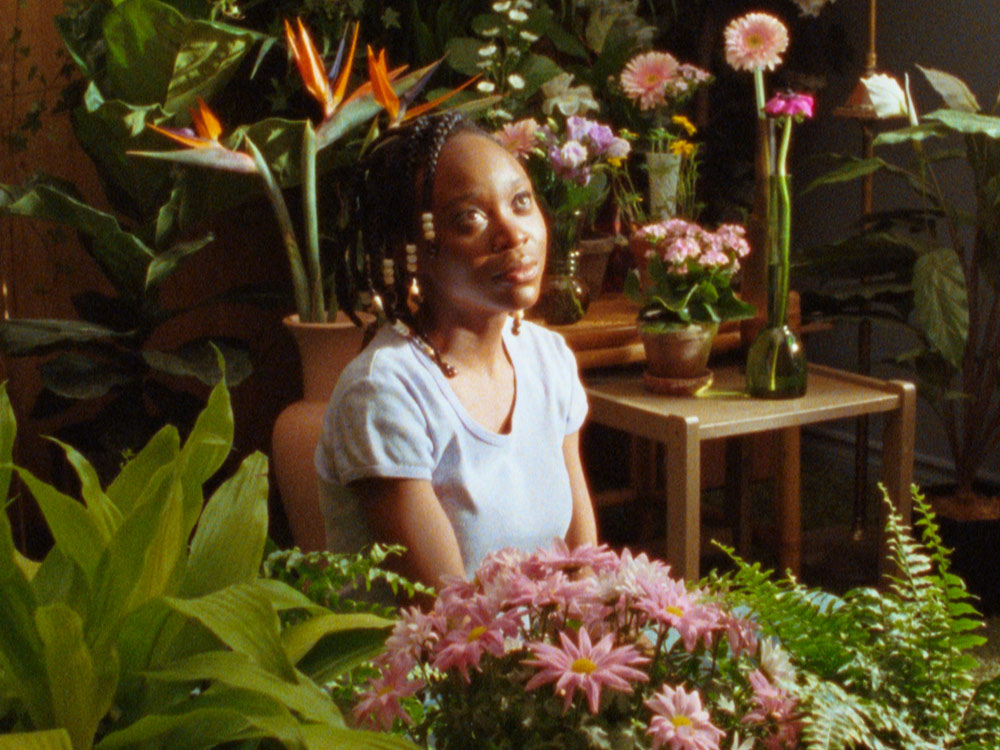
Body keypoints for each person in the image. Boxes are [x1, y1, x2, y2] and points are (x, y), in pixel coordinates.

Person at [315, 112, 597, 590]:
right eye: (471, 219)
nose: (513, 234)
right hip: (433, 659)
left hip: (547, 652)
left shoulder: (549, 360)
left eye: (521, 202)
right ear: (414, 249)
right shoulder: (384, 391)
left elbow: (582, 565)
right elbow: (446, 618)